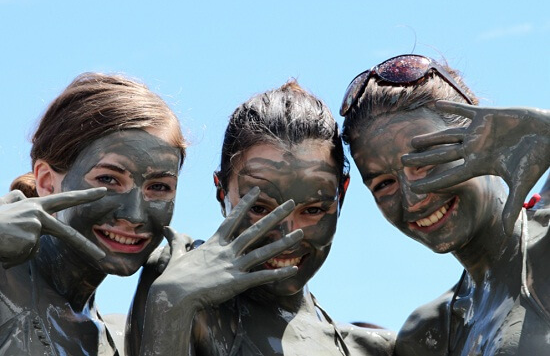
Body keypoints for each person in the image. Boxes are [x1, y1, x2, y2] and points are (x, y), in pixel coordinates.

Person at [0, 73, 300, 356]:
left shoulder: (113, 337)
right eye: (108, 179)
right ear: (46, 181)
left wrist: (172, 304)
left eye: (159, 187)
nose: (134, 215)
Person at [134, 81, 395, 356]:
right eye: (260, 208)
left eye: (313, 210)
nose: (286, 237)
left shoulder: (373, 349)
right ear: (221, 192)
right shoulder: (176, 280)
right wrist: (172, 302)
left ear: (341, 195)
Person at [339, 54, 550, 355]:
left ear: (487, 134)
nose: (414, 200)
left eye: (428, 161)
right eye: (384, 184)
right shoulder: (427, 334)